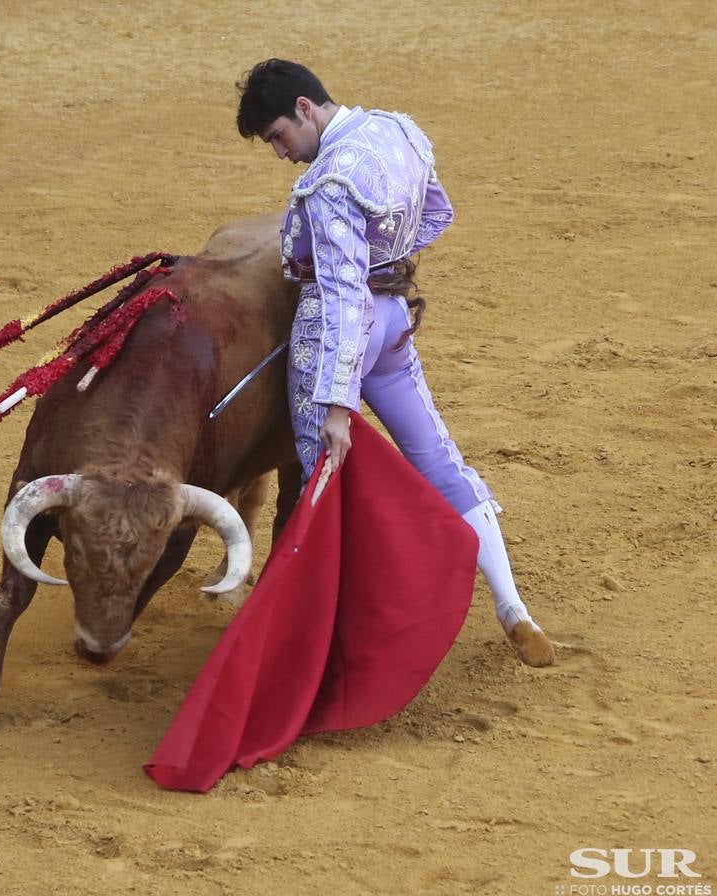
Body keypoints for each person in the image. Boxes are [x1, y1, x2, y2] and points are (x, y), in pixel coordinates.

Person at [235, 59, 554, 666]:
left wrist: (335, 402)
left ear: (305, 109)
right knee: (438, 457)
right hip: (395, 323)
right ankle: (514, 607)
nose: (280, 154)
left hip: (340, 337)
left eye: (277, 136)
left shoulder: (330, 183)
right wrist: (389, 263)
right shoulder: (398, 130)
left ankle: (333, 637)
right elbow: (438, 212)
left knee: (323, 479)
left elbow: (340, 299)